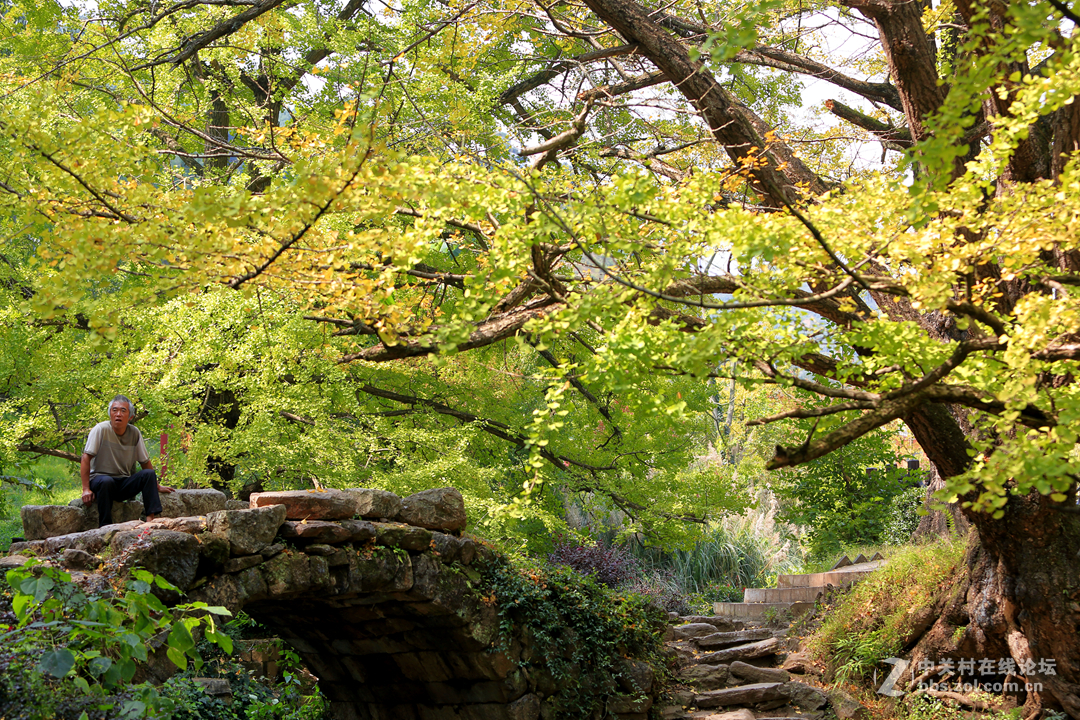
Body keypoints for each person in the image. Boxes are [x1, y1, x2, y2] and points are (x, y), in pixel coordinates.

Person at [81, 395, 174, 526]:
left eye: (123, 411)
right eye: (114, 410)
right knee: (106, 481)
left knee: (148, 474)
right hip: (101, 481)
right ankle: (105, 526)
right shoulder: (101, 429)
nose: (118, 414)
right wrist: (86, 489)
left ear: (130, 417)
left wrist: (156, 485)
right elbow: (86, 457)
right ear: (110, 414)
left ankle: (150, 521)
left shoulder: (134, 433)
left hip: (123, 482)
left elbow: (145, 462)